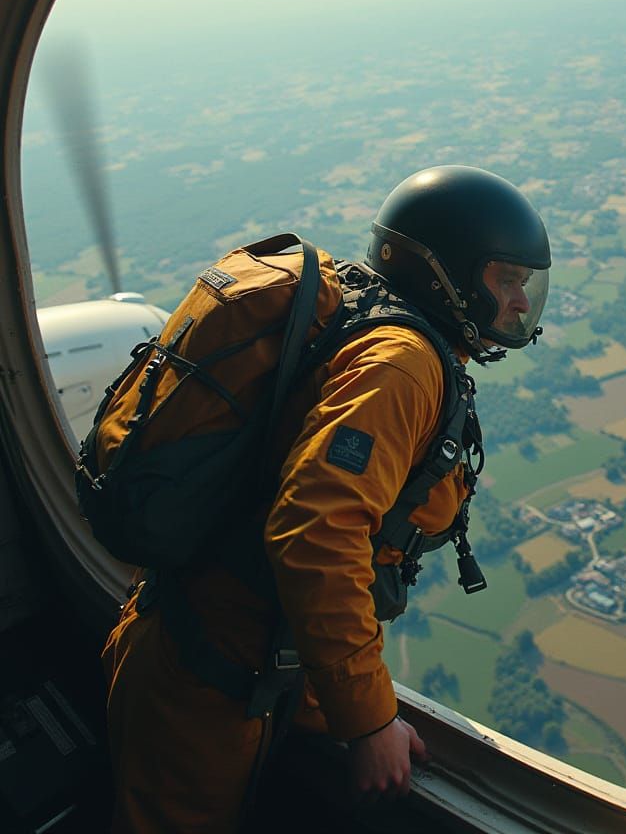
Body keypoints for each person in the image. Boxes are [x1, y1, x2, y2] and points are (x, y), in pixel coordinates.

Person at [100, 164, 551, 833]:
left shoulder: (365, 316)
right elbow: (317, 530)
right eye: (504, 279)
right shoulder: (401, 367)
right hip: (208, 693)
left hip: (199, 653)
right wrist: (369, 721)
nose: (518, 302)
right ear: (447, 275)